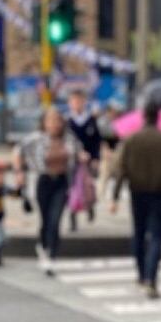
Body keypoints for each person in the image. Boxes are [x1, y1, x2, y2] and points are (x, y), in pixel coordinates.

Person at [110, 100, 161, 297]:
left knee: (138, 233)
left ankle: (141, 273)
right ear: (158, 117)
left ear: (144, 116)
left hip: (138, 192)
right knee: (156, 237)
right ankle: (151, 280)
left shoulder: (131, 139)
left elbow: (121, 169)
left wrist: (115, 196)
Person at [14, 105, 82, 275]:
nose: (54, 124)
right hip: (43, 181)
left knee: (55, 219)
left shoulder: (69, 138)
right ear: (44, 123)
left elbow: (79, 152)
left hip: (62, 181)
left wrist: (84, 157)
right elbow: (17, 151)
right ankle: (43, 245)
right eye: (50, 121)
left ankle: (52, 255)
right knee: (45, 219)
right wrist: (19, 172)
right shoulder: (36, 138)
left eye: (57, 120)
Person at [65, 88, 102, 229]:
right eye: (74, 101)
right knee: (72, 188)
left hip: (88, 160)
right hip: (72, 161)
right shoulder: (67, 121)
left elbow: (96, 141)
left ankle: (90, 206)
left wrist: (95, 158)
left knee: (88, 186)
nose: (77, 104)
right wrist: (75, 154)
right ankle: (72, 216)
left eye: (79, 101)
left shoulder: (91, 120)